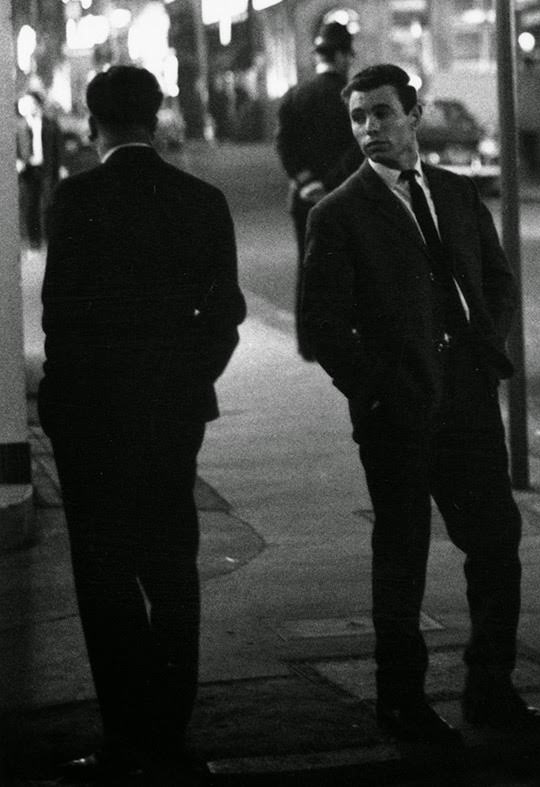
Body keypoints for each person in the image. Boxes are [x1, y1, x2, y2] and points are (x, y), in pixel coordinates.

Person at [298, 63, 540, 746]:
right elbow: (320, 326)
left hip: (468, 399)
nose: (369, 129)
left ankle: (490, 687)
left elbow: (497, 281)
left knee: (496, 543)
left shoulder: (455, 191)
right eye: (358, 118)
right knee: (403, 553)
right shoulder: (339, 212)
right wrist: (378, 388)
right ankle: (401, 702)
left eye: (382, 113)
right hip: (400, 411)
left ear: (414, 114)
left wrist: (483, 348)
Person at [39, 65, 246, 782]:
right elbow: (227, 316)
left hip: (93, 419)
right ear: (155, 118)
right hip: (170, 415)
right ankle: (171, 727)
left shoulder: (75, 199)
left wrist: (62, 407)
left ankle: (128, 732)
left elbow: (59, 316)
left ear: (93, 124)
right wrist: (189, 382)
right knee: (172, 567)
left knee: (105, 575)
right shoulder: (200, 200)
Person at [276, 20, 364, 360]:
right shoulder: (351, 97)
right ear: (342, 57)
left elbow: (285, 145)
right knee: (350, 266)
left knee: (309, 267)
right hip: (345, 196)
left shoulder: (295, 96)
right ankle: (344, 336)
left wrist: (307, 181)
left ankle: (307, 344)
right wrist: (332, 183)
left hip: (304, 200)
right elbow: (358, 147)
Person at [15, 90, 66, 249]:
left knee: (48, 203)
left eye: (30, 103)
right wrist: (17, 161)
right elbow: (14, 148)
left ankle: (50, 239)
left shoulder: (50, 123)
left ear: (37, 105)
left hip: (46, 168)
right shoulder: (19, 126)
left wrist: (62, 166)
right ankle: (34, 241)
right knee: (31, 206)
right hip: (28, 171)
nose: (26, 107)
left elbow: (59, 146)